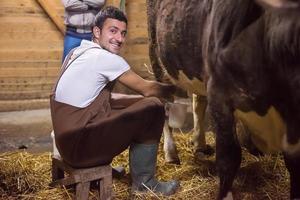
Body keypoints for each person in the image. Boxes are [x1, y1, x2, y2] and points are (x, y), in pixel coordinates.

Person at [50, 6, 180, 196]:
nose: (119, 39)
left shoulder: (76, 53)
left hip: (66, 145)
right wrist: (181, 88)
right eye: (113, 31)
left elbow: (104, 98)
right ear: (96, 31)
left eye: (123, 33)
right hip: (81, 149)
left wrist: (136, 102)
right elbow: (147, 89)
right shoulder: (105, 59)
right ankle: (145, 184)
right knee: (153, 107)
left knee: (141, 105)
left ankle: (112, 168)